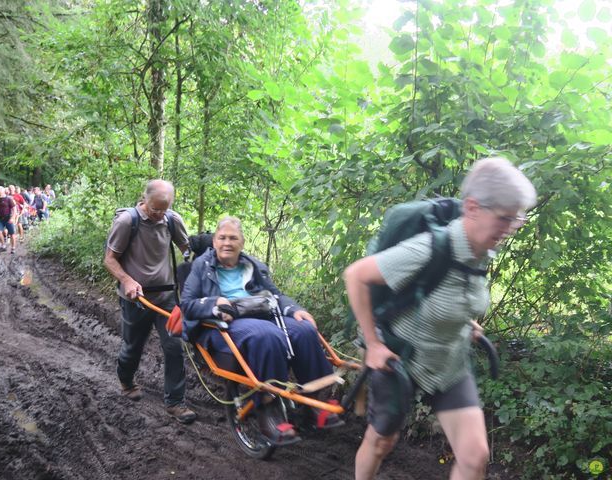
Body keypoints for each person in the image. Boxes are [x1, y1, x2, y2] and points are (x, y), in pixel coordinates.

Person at [344, 157, 537, 480]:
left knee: (474, 458)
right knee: (381, 441)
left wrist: (464, 322)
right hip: (401, 358)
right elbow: (355, 276)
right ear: (473, 207)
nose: (509, 229)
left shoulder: (483, 250)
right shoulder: (429, 248)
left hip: (448, 362)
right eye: (504, 218)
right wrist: (374, 345)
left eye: (515, 219)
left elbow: (452, 296)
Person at [181, 216, 343, 444]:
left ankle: (313, 402)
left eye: (233, 238)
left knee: (304, 330)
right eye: (222, 238)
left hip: (262, 315)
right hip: (222, 326)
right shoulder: (201, 266)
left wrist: (295, 309)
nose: (227, 242)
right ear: (214, 241)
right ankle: (268, 410)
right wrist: (214, 303)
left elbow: (275, 295)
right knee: (267, 336)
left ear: (242, 242)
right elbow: (187, 305)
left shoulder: (253, 265)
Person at [104, 179, 196, 424]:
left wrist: (196, 257)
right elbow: (110, 259)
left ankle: (175, 402)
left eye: (164, 209)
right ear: (144, 199)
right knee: (133, 347)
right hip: (135, 299)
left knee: (175, 348)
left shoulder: (171, 220)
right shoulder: (127, 221)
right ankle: (126, 380)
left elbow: (188, 249)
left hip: (166, 298)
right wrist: (127, 280)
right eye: (155, 209)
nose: (159, 215)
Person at [0, 186, 18, 253]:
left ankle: (13, 248)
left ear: (3, 191)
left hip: (8, 218)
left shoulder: (9, 199)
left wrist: (13, 218)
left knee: (12, 234)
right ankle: (4, 245)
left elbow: (14, 209)